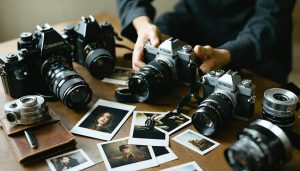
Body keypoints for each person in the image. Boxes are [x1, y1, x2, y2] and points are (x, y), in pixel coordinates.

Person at [116, 0, 296, 84]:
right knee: (161, 32)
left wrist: (228, 53)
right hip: (194, 20)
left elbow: (269, 19)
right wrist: (142, 23)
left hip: (258, 47)